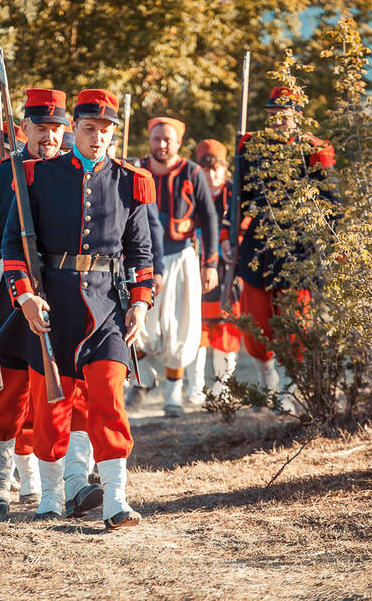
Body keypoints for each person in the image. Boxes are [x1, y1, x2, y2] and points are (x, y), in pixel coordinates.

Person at [0, 89, 155, 529]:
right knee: (51, 407)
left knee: (108, 399)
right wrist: (23, 295)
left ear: (113, 134)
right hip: (53, 304)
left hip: (107, 307)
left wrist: (140, 304)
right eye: (89, 129)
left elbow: (140, 253)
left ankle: (117, 499)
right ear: (73, 130)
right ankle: (51, 495)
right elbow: (13, 245)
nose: (97, 138)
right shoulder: (38, 177)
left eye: (105, 131)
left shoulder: (129, 181)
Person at [0, 89, 71, 513]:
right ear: (24, 130)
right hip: (6, 293)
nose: (49, 138)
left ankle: (57, 480)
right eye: (41, 129)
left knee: (55, 392)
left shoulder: (74, 174)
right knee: (5, 392)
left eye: (57, 129)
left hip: (61, 293)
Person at [220, 86, 337, 414]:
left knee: (294, 326)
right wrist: (230, 236)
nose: (277, 120)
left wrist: (323, 244)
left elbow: (331, 203)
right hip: (258, 248)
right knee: (255, 325)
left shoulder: (314, 150)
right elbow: (238, 200)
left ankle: (289, 391)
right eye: (272, 114)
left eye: (284, 114)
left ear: (298, 115)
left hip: (298, 250)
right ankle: (267, 381)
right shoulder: (252, 147)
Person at [127, 117, 219, 417]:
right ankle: (142, 380)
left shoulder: (192, 172)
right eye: (156, 138)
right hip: (141, 257)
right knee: (141, 326)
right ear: (149, 139)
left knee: (179, 326)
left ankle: (173, 395)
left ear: (179, 142)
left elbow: (209, 217)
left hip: (180, 257)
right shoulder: (136, 169)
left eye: (168, 139)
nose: (161, 144)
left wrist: (210, 264)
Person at [194, 140, 241, 400]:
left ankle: (224, 386)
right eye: (205, 168)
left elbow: (242, 222)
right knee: (197, 329)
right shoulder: (191, 191)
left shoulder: (234, 193)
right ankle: (196, 386)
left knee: (225, 327)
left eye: (216, 169)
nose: (211, 175)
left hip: (226, 269)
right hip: (195, 265)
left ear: (224, 169)